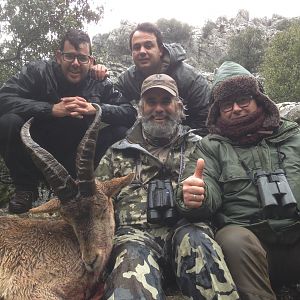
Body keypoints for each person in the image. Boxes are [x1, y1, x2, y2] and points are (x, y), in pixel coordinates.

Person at [96, 73, 239, 299]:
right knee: (130, 260)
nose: (159, 108)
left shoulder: (201, 147)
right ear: (140, 108)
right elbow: (97, 203)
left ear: (179, 106)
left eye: (166, 101)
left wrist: (202, 197)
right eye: (151, 102)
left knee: (198, 241)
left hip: (187, 229)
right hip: (135, 237)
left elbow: (221, 196)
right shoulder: (116, 153)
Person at [178, 61, 300, 299]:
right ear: (217, 111)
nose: (236, 108)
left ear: (259, 99)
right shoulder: (210, 147)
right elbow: (205, 186)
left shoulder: (293, 135)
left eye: (243, 100)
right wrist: (195, 195)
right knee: (232, 239)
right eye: (226, 104)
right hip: (251, 247)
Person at [0, 29, 136, 214]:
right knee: (8, 122)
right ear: (58, 56)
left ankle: (102, 189)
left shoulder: (99, 81)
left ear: (91, 61)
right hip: (37, 154)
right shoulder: (38, 71)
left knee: (120, 131)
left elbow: (129, 113)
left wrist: (95, 109)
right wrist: (51, 109)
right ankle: (26, 190)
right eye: (70, 56)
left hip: (77, 160)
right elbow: (4, 98)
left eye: (81, 58)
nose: (75, 64)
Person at [93, 22, 211, 136]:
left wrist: (176, 137)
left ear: (161, 50)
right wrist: (96, 74)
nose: (142, 52)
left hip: (185, 139)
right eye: (137, 47)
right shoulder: (129, 79)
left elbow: (206, 121)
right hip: (148, 136)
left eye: (148, 46)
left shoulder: (190, 79)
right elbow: (111, 100)